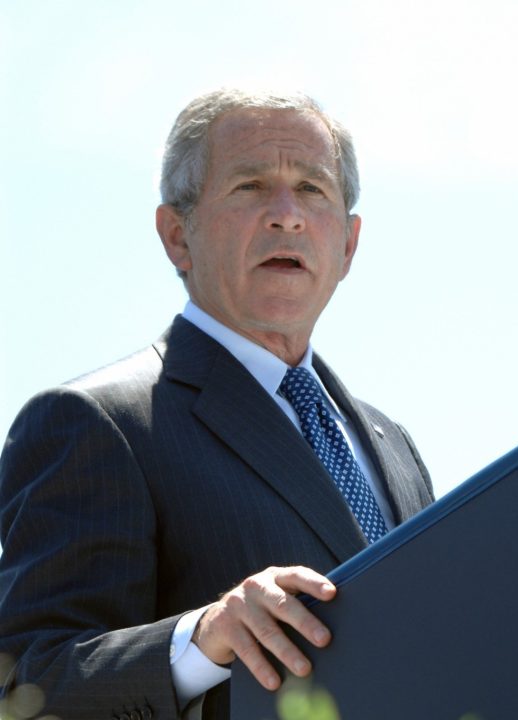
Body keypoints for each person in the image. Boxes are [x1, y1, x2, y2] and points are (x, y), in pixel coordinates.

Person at [0, 89, 435, 719]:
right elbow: (27, 687)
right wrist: (200, 640)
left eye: (312, 188)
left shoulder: (393, 445)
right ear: (178, 236)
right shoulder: (96, 424)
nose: (287, 216)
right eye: (251, 186)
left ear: (348, 244)